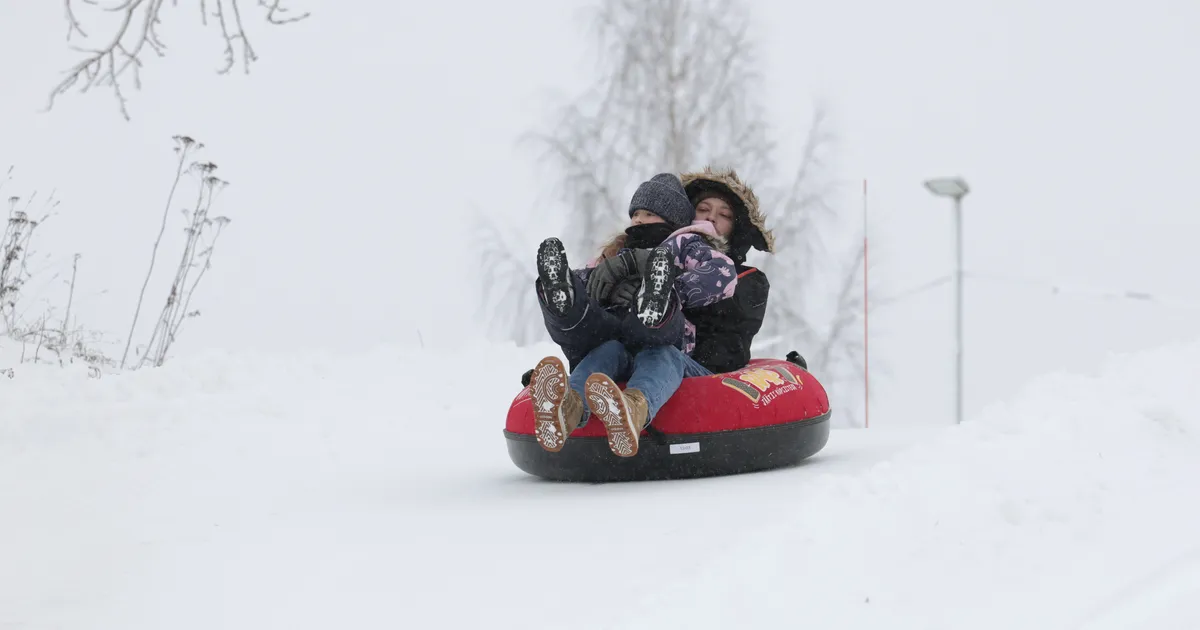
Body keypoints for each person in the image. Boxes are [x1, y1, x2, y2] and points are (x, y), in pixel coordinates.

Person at [528, 166, 774, 458]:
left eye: (724, 215)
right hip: (626, 340)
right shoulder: (622, 250)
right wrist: (597, 284)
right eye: (704, 208)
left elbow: (723, 301)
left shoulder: (745, 278)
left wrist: (661, 281)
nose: (710, 217)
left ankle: (636, 397)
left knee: (660, 351)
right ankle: (567, 404)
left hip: (694, 366)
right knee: (606, 348)